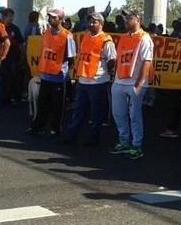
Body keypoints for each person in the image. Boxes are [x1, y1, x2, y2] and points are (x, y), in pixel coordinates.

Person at [60, 12, 116, 146]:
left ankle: (93, 138)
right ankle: (71, 135)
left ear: (101, 24)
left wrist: (105, 73)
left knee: (96, 113)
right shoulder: (86, 36)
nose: (91, 23)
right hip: (84, 80)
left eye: (94, 21)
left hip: (97, 81)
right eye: (90, 21)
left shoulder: (106, 40)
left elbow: (112, 60)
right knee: (78, 110)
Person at [108, 9, 154, 160]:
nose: (126, 20)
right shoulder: (123, 38)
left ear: (138, 20)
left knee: (134, 116)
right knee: (118, 114)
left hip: (134, 83)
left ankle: (136, 145)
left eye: (129, 18)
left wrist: (139, 84)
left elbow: (147, 62)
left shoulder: (144, 38)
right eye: (125, 18)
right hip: (120, 81)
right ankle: (124, 142)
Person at [24, 8, 76, 136]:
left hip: (59, 76)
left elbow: (71, 58)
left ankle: (56, 128)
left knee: (57, 105)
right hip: (46, 75)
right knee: (42, 104)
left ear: (61, 19)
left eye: (54, 17)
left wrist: (61, 69)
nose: (51, 19)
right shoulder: (46, 33)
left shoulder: (67, 36)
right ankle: (38, 126)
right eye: (50, 17)